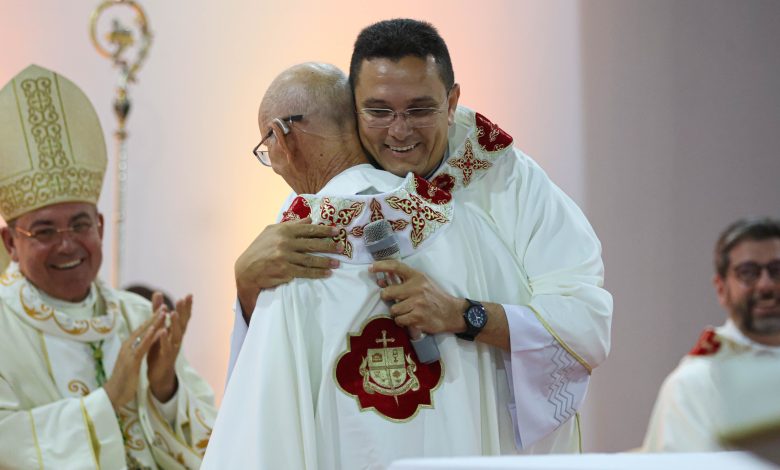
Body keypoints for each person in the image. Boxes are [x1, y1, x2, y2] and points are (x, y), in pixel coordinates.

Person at [231, 19, 613, 451]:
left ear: (451, 102)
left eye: (419, 109)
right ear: (352, 108)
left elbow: (586, 325)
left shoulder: (506, 181)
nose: (399, 131)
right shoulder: (323, 211)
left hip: (483, 439)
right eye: (378, 112)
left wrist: (464, 315)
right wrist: (247, 285)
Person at [206, 62, 544, 469]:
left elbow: (260, 424)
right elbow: (548, 341)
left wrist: (247, 288)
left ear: (281, 137)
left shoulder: (292, 248)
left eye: (267, 148)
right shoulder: (463, 222)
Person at [0, 64, 216, 469]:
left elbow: (211, 438)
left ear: (99, 226)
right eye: (44, 231)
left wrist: (164, 387)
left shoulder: (137, 317)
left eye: (80, 224)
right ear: (10, 242)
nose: (68, 244)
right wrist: (108, 400)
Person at [642, 217, 780, 452]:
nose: (766, 285)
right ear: (721, 289)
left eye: (777, 270)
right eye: (748, 273)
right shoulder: (695, 384)